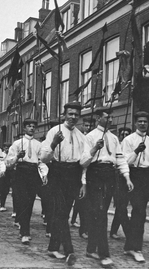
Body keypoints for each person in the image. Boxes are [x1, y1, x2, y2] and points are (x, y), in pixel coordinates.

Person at [81, 107, 133, 267]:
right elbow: (83, 162)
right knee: (100, 213)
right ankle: (104, 253)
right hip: (95, 174)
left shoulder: (114, 138)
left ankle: (91, 248)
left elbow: (120, 158)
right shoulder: (90, 137)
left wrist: (127, 177)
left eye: (111, 117)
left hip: (110, 174)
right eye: (107, 117)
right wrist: (95, 148)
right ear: (98, 119)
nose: (110, 120)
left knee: (101, 212)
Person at [40, 101, 88, 265]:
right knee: (60, 211)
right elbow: (44, 158)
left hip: (73, 174)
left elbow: (84, 163)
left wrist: (83, 182)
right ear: (64, 114)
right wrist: (54, 143)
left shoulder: (81, 136)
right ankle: (69, 250)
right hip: (58, 172)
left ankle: (53, 248)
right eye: (70, 113)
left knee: (63, 213)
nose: (73, 117)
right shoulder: (54, 131)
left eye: (76, 114)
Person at [121, 111, 149, 263]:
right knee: (134, 212)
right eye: (139, 121)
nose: (142, 124)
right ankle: (134, 247)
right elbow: (124, 161)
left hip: (145, 177)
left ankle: (132, 247)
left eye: (145, 122)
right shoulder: (128, 140)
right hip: (131, 175)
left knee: (139, 212)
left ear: (148, 123)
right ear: (135, 123)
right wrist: (136, 151)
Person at [6, 118, 48, 244]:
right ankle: (24, 230)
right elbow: (8, 163)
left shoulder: (39, 145)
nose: (31, 128)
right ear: (24, 128)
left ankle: (24, 229)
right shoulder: (17, 144)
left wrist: (44, 174)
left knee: (29, 203)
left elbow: (41, 162)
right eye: (29, 126)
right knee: (21, 201)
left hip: (33, 173)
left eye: (33, 126)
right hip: (21, 172)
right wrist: (18, 157)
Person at [110, 126, 132, 240]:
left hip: (128, 178)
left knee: (121, 207)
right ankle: (129, 232)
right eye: (123, 134)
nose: (125, 136)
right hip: (117, 180)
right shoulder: (116, 146)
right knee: (121, 206)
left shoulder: (130, 146)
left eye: (127, 134)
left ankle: (113, 231)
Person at [0, 142, 11, 213]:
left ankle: (2, 203)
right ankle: (2, 205)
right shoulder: (1, 154)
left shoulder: (11, 154)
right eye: (6, 148)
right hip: (2, 173)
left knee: (6, 190)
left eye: (8, 148)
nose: (7, 149)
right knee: (2, 188)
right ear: (3, 148)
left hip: (10, 172)